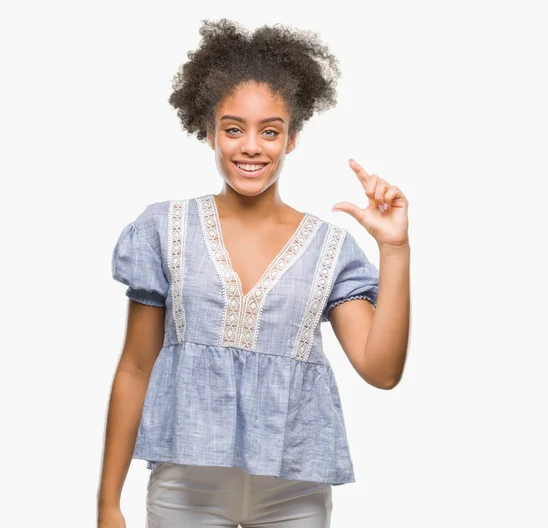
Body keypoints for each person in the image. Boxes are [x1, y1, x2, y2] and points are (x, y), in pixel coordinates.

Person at [97, 18, 411, 528]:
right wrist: (108, 502)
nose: (250, 146)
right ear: (208, 131)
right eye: (233, 128)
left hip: (294, 491)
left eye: (270, 131)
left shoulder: (329, 248)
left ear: (291, 140)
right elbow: (135, 367)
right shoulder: (164, 228)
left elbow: (382, 371)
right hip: (185, 485)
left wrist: (394, 249)